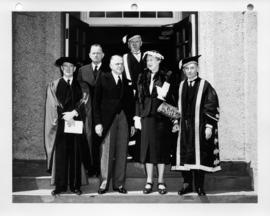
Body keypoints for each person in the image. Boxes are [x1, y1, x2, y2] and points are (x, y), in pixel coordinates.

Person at [171, 55, 221, 196]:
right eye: (186, 68)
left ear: (197, 69)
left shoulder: (205, 85)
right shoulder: (180, 86)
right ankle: (187, 185)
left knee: (200, 156)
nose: (189, 71)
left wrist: (209, 127)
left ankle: (199, 186)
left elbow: (211, 105)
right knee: (185, 156)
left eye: (192, 68)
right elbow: (175, 106)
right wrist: (175, 121)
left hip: (199, 127)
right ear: (184, 71)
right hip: (183, 128)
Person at [44, 57, 92, 196]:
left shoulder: (82, 86)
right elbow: (52, 104)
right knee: (61, 155)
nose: (68, 69)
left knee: (76, 155)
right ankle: (60, 186)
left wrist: (74, 112)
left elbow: (85, 102)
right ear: (61, 68)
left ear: (75, 69)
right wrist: (65, 116)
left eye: (71, 66)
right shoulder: (53, 85)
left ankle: (75, 185)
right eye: (65, 66)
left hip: (76, 124)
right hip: (61, 124)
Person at [93, 55, 135, 194]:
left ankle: (119, 184)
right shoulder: (103, 78)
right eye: (116, 64)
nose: (120, 66)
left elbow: (131, 105)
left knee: (122, 152)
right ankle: (104, 183)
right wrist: (98, 123)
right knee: (106, 152)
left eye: (121, 64)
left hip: (124, 119)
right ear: (110, 65)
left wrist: (132, 124)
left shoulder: (128, 82)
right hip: (107, 120)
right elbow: (96, 103)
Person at [134, 50, 173, 195]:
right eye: (148, 60)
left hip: (161, 117)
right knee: (148, 149)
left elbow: (171, 98)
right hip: (146, 117)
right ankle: (149, 180)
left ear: (159, 61)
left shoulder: (166, 75)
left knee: (161, 150)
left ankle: (161, 181)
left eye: (152, 59)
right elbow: (138, 98)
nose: (149, 62)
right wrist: (137, 117)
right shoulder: (142, 76)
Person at [77, 44, 107, 177]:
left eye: (98, 53)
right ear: (89, 55)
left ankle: (101, 168)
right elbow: (77, 91)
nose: (96, 55)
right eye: (93, 53)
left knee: (102, 140)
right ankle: (90, 168)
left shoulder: (108, 70)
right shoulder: (82, 70)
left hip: (103, 112)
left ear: (103, 55)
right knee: (88, 140)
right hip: (87, 112)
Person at [122, 33, 144, 161]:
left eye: (137, 41)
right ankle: (131, 151)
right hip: (131, 94)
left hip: (145, 95)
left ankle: (143, 150)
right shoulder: (125, 57)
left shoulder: (147, 57)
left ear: (141, 43)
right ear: (128, 45)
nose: (135, 44)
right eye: (132, 42)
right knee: (131, 121)